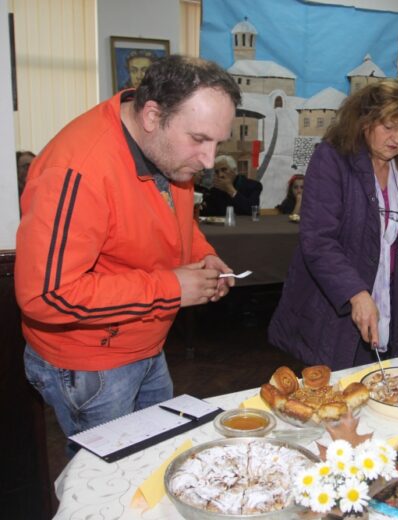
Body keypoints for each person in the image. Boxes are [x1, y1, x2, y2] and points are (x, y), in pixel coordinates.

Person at [15, 55, 241, 449]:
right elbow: (45, 296)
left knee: (154, 462)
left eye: (217, 141)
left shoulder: (164, 149)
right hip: (92, 365)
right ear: (152, 115)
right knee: (111, 488)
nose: (208, 159)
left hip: (146, 341)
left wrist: (203, 255)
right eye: (200, 139)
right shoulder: (79, 168)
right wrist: (170, 288)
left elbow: (172, 216)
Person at [268, 79, 398, 369]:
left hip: (385, 303)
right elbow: (317, 240)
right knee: (331, 398)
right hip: (330, 308)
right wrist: (355, 292)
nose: (397, 138)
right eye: (388, 127)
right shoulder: (333, 159)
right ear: (365, 121)